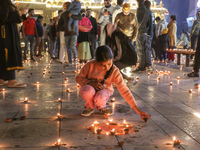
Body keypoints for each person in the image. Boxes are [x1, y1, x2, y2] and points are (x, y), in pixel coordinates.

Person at [75, 45, 149, 121]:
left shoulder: (115, 71)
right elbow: (78, 78)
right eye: (103, 65)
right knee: (87, 90)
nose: (107, 68)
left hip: (104, 92)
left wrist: (137, 110)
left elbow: (124, 89)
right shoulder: (90, 65)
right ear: (96, 61)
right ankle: (89, 107)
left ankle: (101, 107)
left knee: (101, 96)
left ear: (112, 59)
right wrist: (90, 82)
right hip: (90, 89)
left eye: (109, 64)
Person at [0, 0, 27, 87]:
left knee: (4, 55)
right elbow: (6, 18)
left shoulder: (6, 4)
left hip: (9, 33)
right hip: (6, 34)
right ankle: (11, 80)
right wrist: (19, 13)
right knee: (9, 54)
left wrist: (22, 14)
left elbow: (16, 20)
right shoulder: (2, 4)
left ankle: (1, 78)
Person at [134, 0, 150, 72]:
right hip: (146, 33)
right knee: (145, 50)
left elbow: (138, 21)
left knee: (140, 50)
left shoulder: (139, 9)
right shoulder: (147, 10)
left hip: (140, 31)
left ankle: (141, 66)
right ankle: (146, 65)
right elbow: (149, 23)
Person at [144, 0, 155, 70]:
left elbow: (147, 25)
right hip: (151, 33)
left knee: (147, 49)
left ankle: (148, 64)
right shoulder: (152, 13)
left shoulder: (147, 13)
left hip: (148, 33)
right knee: (148, 48)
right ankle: (147, 63)